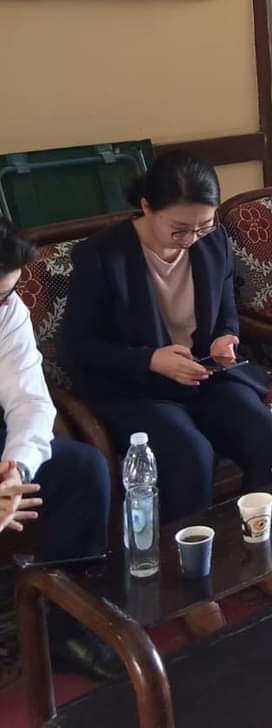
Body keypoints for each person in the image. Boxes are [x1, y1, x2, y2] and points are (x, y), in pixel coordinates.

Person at [62, 151, 272, 523]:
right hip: (136, 388)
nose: (191, 239)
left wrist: (224, 337)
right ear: (147, 207)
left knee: (269, 438)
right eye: (179, 228)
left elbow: (226, 309)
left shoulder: (214, 242)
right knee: (190, 457)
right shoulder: (102, 255)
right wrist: (151, 359)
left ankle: (262, 542)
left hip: (203, 374)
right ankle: (189, 556)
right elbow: (77, 347)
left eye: (203, 226)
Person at [0, 220, 118, 680]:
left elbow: (29, 400)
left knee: (83, 469)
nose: (3, 305)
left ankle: (64, 626)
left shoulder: (8, 308)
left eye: (6, 294)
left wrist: (17, 469)